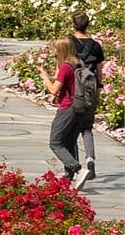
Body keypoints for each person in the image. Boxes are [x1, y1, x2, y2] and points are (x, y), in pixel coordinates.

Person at [45, 36, 96, 189]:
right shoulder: (78, 63)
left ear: (61, 50)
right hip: (80, 108)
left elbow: (54, 88)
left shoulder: (65, 67)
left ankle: (78, 169)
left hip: (67, 109)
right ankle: (68, 177)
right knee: (69, 142)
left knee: (55, 142)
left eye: (55, 50)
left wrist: (45, 79)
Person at [70, 12, 105, 187]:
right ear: (87, 25)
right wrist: (99, 88)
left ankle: (74, 169)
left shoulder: (69, 43)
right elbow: (99, 70)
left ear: (73, 25)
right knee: (87, 128)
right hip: (90, 89)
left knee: (71, 130)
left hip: (73, 91)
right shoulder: (96, 46)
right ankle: (90, 158)